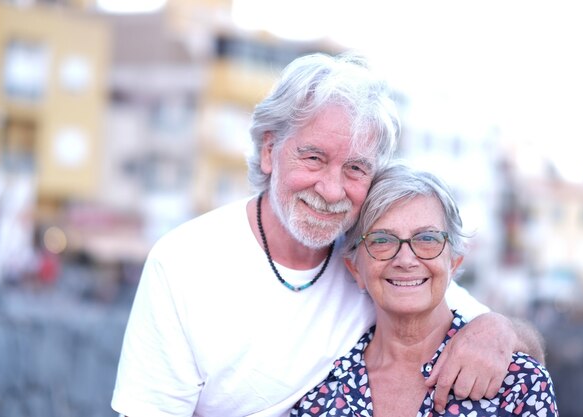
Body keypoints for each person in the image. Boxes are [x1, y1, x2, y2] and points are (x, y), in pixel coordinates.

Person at [111, 52, 545, 417]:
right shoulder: (184, 263)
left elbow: (513, 342)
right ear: (268, 150)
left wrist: (495, 329)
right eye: (314, 158)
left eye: (355, 168)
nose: (332, 189)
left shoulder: (376, 260)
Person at [291, 162, 558, 417]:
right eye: (382, 240)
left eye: (427, 238)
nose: (405, 260)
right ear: (355, 268)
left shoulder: (517, 382)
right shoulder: (317, 391)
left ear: (454, 262)